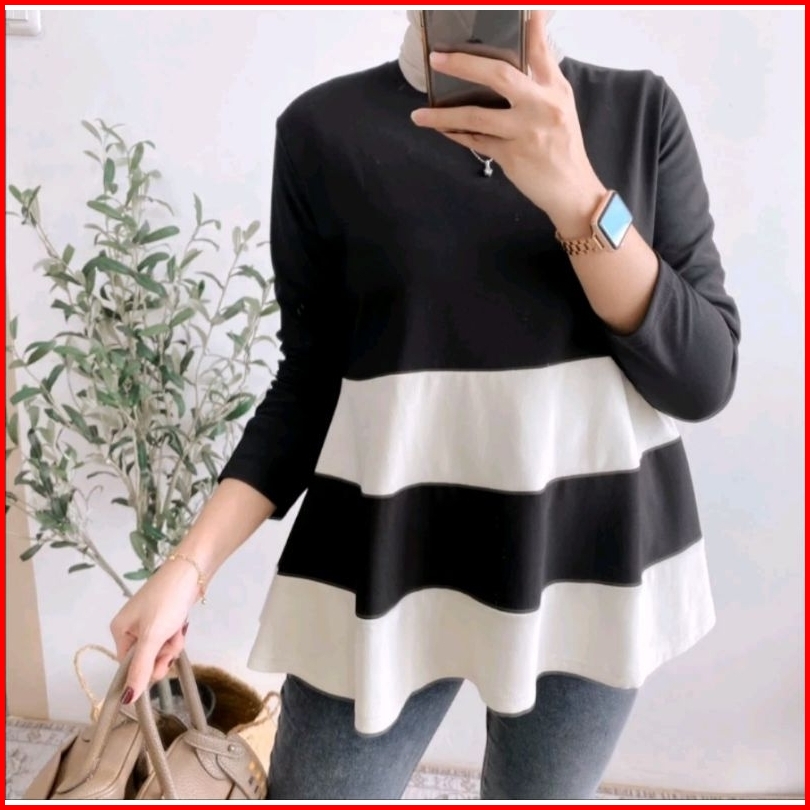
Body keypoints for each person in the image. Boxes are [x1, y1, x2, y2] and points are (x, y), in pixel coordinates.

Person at [110, 9, 741, 800]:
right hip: (384, 560)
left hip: (591, 557)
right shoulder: (322, 132)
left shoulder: (639, 111)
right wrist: (187, 569)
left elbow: (701, 378)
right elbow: (309, 385)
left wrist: (578, 193)